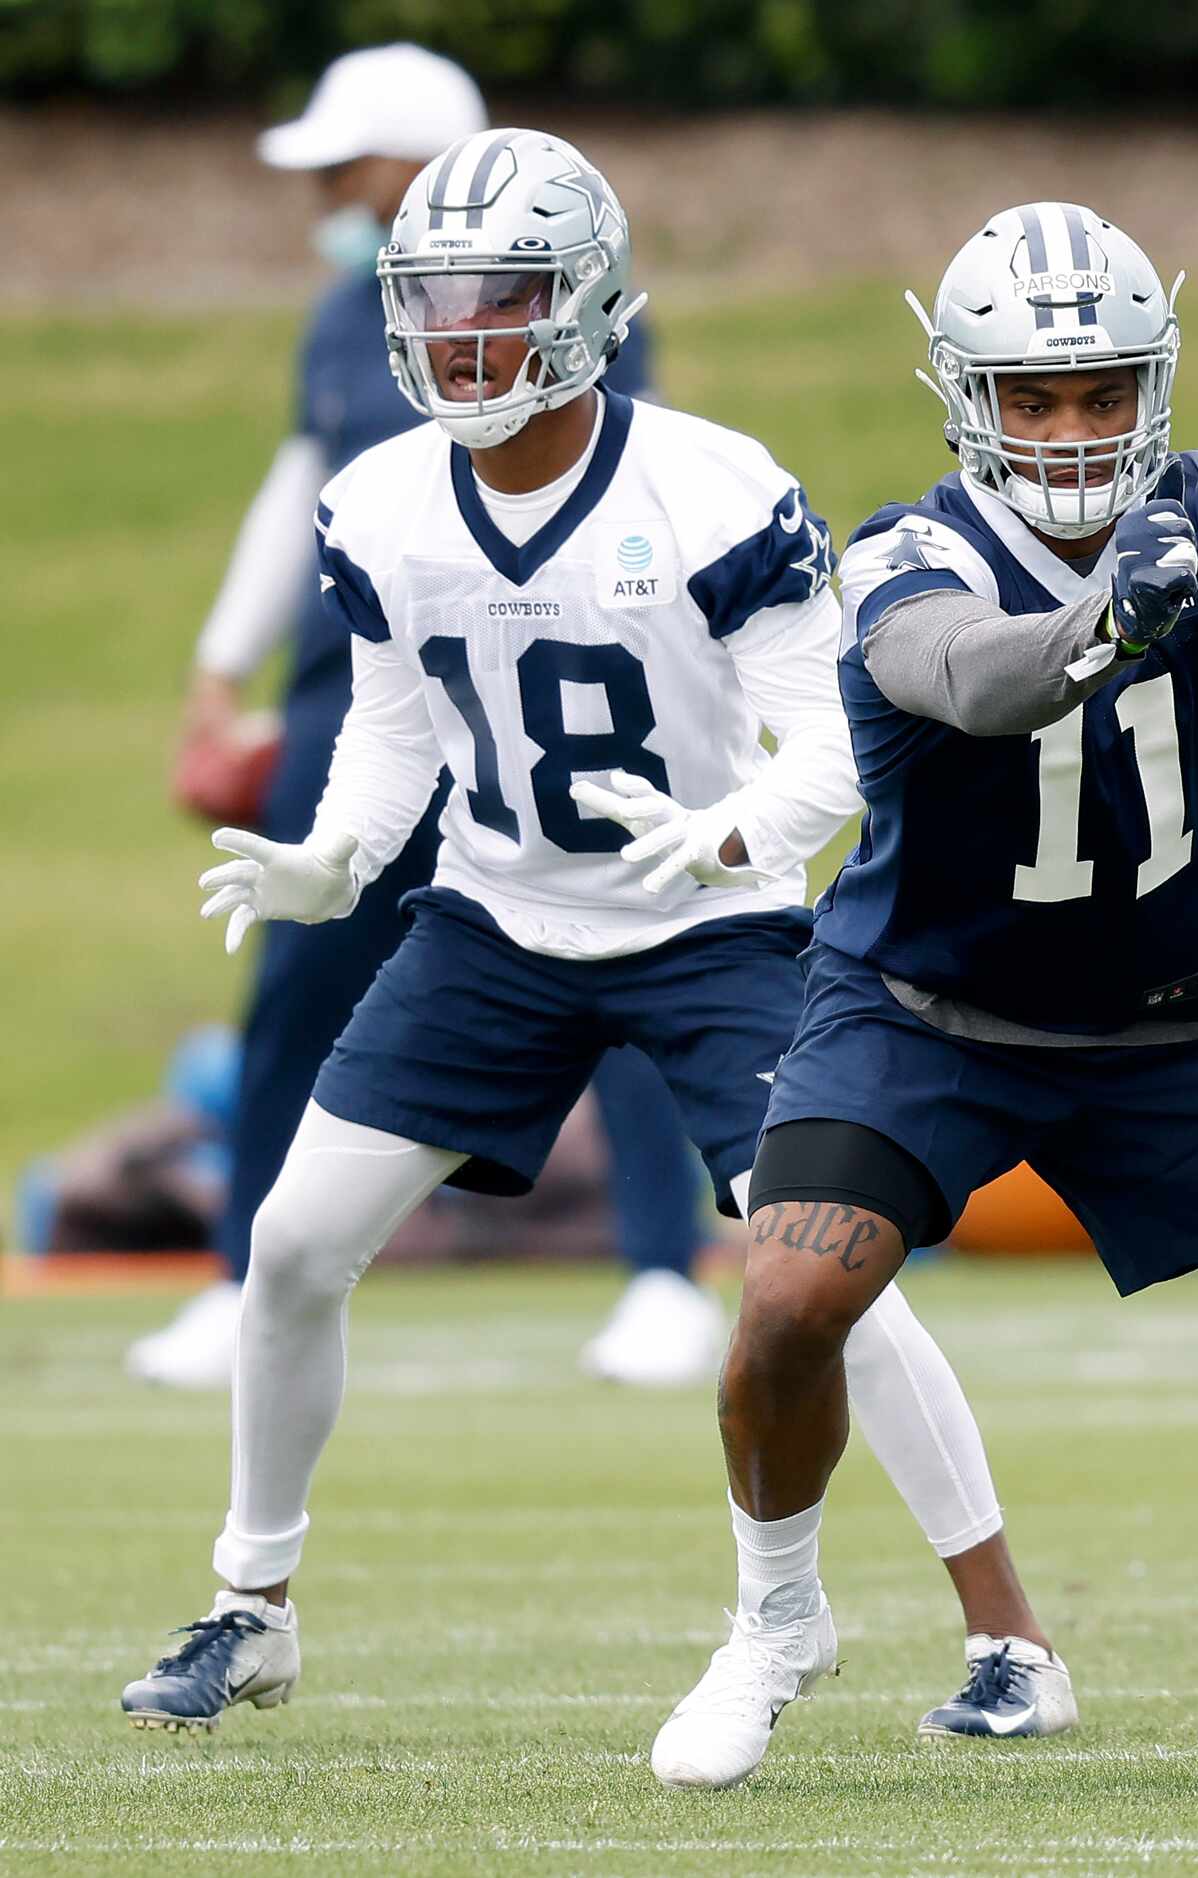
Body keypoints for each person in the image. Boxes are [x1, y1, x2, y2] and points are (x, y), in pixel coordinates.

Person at [118, 131, 1070, 1754]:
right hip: (496, 920)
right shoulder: (384, 498)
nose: (461, 335)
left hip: (717, 928)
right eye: (437, 301)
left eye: (501, 299)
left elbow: (836, 738)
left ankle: (1009, 1639)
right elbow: (397, 719)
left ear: (591, 306)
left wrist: (736, 833)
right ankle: (253, 1605)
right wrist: (337, 855)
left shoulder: (707, 487)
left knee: (832, 1274)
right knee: (288, 1243)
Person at [656, 201, 1198, 1786]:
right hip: (922, 1013)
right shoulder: (906, 548)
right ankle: (774, 1622)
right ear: (969, 399)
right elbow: (967, 675)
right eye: (1033, 398)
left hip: (1170, 1007)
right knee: (787, 1304)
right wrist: (1112, 621)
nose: (1070, 428)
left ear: (1152, 385)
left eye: (1100, 392)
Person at [137, 43, 724, 1392]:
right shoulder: (341, 313)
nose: (328, 195)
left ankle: (662, 1275)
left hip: (545, 684)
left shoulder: (581, 299)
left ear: (422, 168)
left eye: (348, 166)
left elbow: (643, 481)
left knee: (619, 960)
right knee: (299, 980)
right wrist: (221, 660)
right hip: (359, 692)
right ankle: (243, 1280)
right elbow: (303, 475)